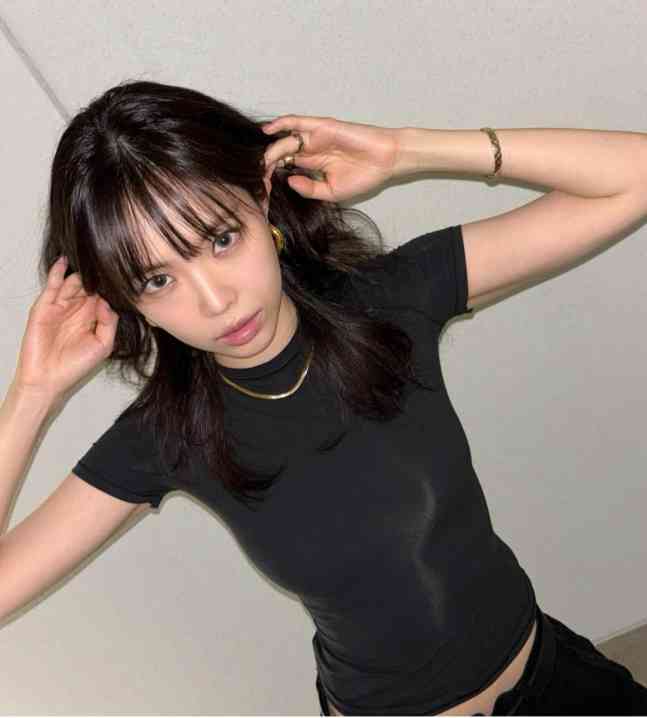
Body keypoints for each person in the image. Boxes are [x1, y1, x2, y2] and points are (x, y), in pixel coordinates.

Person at [1, 79, 647, 716]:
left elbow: (635, 175)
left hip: (551, 678)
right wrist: (32, 394)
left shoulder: (392, 300)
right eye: (157, 280)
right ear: (124, 299)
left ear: (260, 193)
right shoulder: (169, 434)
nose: (215, 300)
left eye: (221, 239)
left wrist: (408, 150)